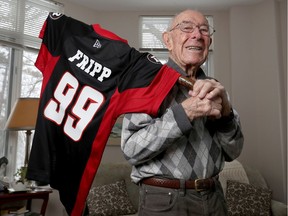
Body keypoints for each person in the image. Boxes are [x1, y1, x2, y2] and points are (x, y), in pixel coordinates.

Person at [121, 9, 244, 216]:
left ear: (209, 44)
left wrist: (226, 116)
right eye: (187, 28)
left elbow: (234, 152)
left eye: (204, 30)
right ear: (168, 40)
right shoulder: (147, 84)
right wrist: (183, 114)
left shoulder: (215, 88)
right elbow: (131, 149)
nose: (197, 35)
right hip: (164, 202)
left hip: (214, 199)